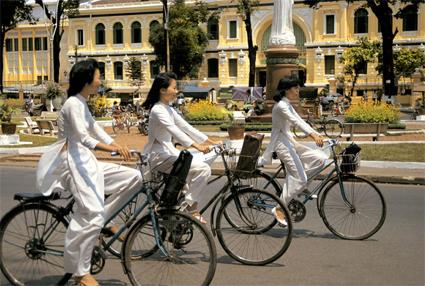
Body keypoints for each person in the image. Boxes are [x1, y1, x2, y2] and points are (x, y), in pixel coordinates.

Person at [36, 59, 143, 286]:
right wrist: (112, 149)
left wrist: (121, 147)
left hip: (87, 162)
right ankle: (80, 273)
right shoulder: (73, 104)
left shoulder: (82, 103)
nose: (100, 81)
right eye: (97, 76)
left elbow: (95, 129)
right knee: (92, 214)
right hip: (72, 165)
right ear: (87, 80)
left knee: (134, 177)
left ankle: (103, 220)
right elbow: (84, 138)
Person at [142, 72, 221, 223]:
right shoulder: (157, 110)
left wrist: (211, 142)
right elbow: (174, 130)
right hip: (158, 155)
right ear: (163, 90)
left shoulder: (169, 109)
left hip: (168, 152)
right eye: (174, 87)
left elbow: (186, 127)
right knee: (203, 169)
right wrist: (197, 146)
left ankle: (177, 215)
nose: (177, 90)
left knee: (193, 172)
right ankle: (189, 208)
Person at [259, 77, 327, 225]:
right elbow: (296, 122)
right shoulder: (281, 106)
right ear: (286, 90)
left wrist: (317, 134)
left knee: (320, 159)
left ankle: (300, 188)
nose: (298, 91)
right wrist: (313, 135)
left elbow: (301, 120)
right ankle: (279, 209)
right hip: (281, 145)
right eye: (295, 88)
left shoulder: (288, 104)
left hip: (290, 142)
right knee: (299, 178)